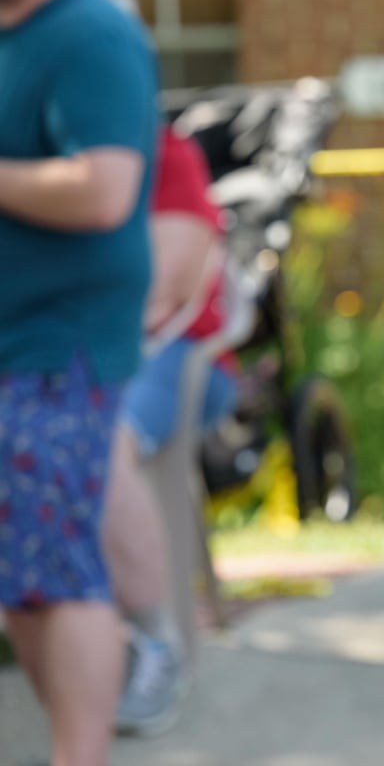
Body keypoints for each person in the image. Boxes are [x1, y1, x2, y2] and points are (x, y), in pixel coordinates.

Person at [0, 0, 159, 765]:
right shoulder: (19, 32)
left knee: (57, 579)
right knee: (27, 579)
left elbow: (103, 190)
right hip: (22, 349)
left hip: (59, 350)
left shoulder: (90, 31)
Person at [103, 123, 237, 738]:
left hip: (172, 352)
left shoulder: (162, 151)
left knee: (96, 446)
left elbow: (163, 295)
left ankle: (155, 644)